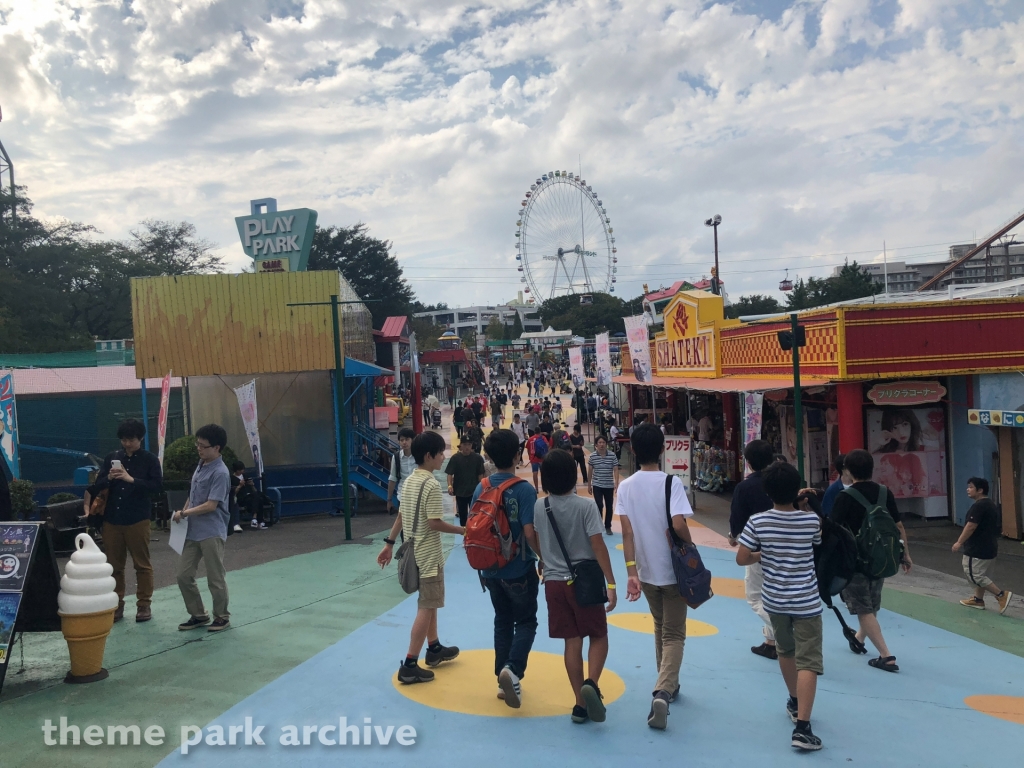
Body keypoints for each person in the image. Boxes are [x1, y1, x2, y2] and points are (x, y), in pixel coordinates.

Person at [736, 461, 824, 751]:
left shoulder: (758, 522)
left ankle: (794, 701)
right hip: (807, 601)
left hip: (775, 599)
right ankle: (803, 727)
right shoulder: (811, 520)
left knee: (786, 651)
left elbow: (742, 557)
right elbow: (816, 541)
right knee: (809, 660)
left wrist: (764, 554)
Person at [532, 450, 617, 724]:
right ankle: (592, 683)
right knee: (598, 634)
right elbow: (597, 544)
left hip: (554, 583)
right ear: (573, 475)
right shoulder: (586, 506)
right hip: (585, 581)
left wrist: (544, 559)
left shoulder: (540, 506)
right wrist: (611, 582)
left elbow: (533, 537)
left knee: (572, 641)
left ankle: (579, 705)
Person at [617, 423, 693, 730]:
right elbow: (678, 524)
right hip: (674, 570)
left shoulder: (625, 486)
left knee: (661, 626)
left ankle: (668, 683)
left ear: (632, 450)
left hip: (646, 570)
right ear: (662, 449)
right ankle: (663, 690)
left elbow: (626, 532)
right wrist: (691, 550)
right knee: (674, 632)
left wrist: (631, 572)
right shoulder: (670, 483)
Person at [377, 431, 466, 684]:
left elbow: (401, 516)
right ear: (429, 456)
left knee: (430, 601)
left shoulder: (411, 481)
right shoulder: (431, 485)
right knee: (426, 606)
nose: (443, 457)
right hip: (428, 555)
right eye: (440, 453)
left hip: (412, 549)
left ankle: (434, 648)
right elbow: (434, 523)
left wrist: (389, 544)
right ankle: (410, 664)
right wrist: (463, 530)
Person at [472, 429, 541, 708]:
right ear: (517, 455)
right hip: (518, 569)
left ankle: (503, 678)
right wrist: (543, 558)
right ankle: (512, 670)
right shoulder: (524, 489)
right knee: (526, 620)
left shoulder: (482, 486)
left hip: (489, 570)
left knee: (502, 620)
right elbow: (529, 531)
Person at [831, 449, 913, 672]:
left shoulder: (844, 497)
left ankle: (886, 656)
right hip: (881, 558)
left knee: (863, 608)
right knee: (871, 604)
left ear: (847, 470)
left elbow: (833, 530)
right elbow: (898, 526)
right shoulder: (885, 493)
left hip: (855, 560)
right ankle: (859, 638)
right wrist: (905, 554)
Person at [84, 419, 163, 623]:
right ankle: (116, 604)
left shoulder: (150, 460)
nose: (127, 444)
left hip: (138, 518)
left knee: (142, 564)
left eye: (131, 440)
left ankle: (144, 604)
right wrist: (109, 478)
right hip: (112, 519)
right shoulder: (112, 458)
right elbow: (95, 487)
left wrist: (131, 479)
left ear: (141, 438)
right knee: (113, 565)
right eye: (124, 440)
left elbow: (156, 487)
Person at [173, 424, 232, 632]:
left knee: (215, 577)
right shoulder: (201, 465)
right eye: (197, 444)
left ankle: (222, 616)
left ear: (217, 448)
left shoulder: (221, 473)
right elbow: (193, 494)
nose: (199, 448)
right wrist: (184, 511)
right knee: (183, 575)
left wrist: (185, 513)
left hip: (211, 531)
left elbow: (211, 505)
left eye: (203, 446)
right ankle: (198, 614)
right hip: (192, 531)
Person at [727, 440, 778, 660]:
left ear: (747, 462)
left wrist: (733, 536)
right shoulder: (781, 481)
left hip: (757, 549)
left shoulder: (745, 487)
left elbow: (737, 519)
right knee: (774, 594)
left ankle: (783, 631)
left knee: (755, 596)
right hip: (785, 547)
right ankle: (771, 642)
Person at [953, 477, 1013, 613]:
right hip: (990, 547)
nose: (968, 489)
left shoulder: (979, 506)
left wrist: (959, 542)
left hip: (977, 549)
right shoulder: (990, 505)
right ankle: (978, 599)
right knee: (981, 574)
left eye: (971, 487)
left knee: (974, 574)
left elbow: (970, 526)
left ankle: (1001, 595)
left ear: (980, 490)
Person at [446, 439, 485, 526]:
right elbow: (450, 474)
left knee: (475, 514)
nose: (467, 447)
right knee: (463, 516)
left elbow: (480, 475)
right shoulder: (455, 458)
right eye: (465, 444)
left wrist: (482, 489)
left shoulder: (477, 458)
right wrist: (449, 486)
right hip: (460, 492)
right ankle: (465, 534)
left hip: (474, 492)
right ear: (461, 445)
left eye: (469, 444)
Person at [589, 434, 620, 534]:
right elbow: (590, 471)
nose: (601, 444)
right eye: (599, 443)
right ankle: (599, 525)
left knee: (609, 506)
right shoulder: (593, 456)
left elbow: (615, 469)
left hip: (608, 485)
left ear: (606, 444)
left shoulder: (612, 455)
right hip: (597, 484)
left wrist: (616, 482)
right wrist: (589, 484)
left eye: (603, 442)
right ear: (596, 445)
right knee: (599, 505)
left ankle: (608, 526)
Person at [388, 428, 418, 516]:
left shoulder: (419, 456)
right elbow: (392, 478)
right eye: (402, 440)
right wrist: (389, 500)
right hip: (403, 497)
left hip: (419, 496)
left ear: (413, 440)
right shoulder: (396, 457)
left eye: (407, 439)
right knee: (404, 525)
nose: (404, 442)